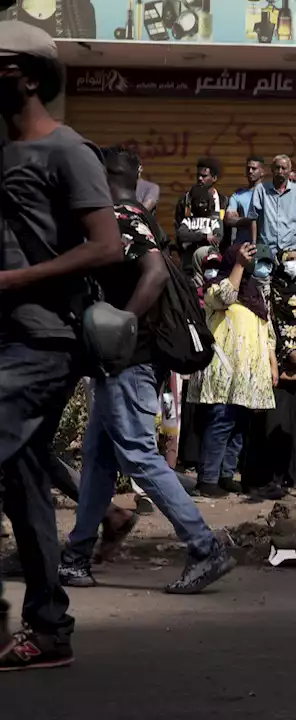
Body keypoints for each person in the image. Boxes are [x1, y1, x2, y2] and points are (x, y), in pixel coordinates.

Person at [0, 20, 127, 671]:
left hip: (45, 343)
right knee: (20, 482)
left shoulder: (67, 149)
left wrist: (18, 279)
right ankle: (48, 628)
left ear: (22, 74)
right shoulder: (6, 152)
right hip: (7, 338)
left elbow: (107, 245)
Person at [58, 145, 235, 594]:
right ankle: (76, 557)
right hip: (119, 360)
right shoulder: (134, 213)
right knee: (98, 456)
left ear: (102, 175)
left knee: (137, 453)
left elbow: (153, 274)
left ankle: (203, 546)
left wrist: (120, 325)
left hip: (129, 358)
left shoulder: (121, 216)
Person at [187, 243, 277, 498]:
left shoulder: (256, 296)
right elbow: (225, 296)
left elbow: (268, 334)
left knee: (239, 426)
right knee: (220, 423)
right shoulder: (216, 288)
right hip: (224, 372)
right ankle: (207, 479)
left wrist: (272, 365)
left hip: (248, 376)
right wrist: (238, 264)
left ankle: (226, 475)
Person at [243, 249, 296, 499]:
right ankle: (267, 478)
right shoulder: (270, 293)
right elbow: (268, 327)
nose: (294, 264)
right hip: (273, 365)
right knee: (272, 421)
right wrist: (286, 354)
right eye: (289, 260)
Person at [247, 154, 296, 263]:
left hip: (292, 248)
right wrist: (254, 244)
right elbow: (253, 218)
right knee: (262, 275)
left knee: (291, 274)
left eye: (283, 168)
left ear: (289, 170)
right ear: (271, 169)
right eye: (277, 168)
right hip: (266, 247)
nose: (280, 171)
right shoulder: (261, 190)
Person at [173, 182, 222, 275]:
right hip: (189, 265)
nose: (200, 205)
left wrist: (193, 237)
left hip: (209, 265)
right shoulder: (188, 221)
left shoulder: (214, 220)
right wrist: (204, 236)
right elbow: (182, 235)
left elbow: (217, 238)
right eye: (197, 202)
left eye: (203, 202)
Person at [223, 155, 266, 249]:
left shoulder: (268, 194)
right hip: (242, 246)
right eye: (248, 168)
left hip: (264, 247)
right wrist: (251, 221)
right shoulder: (238, 195)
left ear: (262, 172)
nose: (250, 171)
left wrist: (240, 219)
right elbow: (228, 219)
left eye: (254, 168)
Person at [174, 156, 222, 234]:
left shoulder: (222, 201)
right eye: (198, 175)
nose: (199, 178)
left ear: (214, 178)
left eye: (204, 176)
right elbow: (178, 224)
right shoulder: (185, 199)